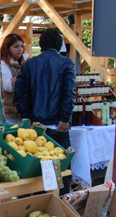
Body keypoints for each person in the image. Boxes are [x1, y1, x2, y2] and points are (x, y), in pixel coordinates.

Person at [14, 29, 76, 190]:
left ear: (40, 45)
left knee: (34, 170)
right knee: (61, 169)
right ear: (59, 44)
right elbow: (69, 93)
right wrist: (65, 118)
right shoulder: (67, 63)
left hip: (35, 127)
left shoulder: (28, 65)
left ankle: (36, 201)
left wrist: (28, 117)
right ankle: (61, 202)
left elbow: (19, 94)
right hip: (58, 125)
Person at [0, 34, 28, 124]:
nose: (20, 49)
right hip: (11, 114)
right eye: (16, 47)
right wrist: (23, 69)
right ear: (8, 48)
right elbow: (9, 87)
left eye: (22, 46)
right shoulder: (3, 64)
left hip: (25, 112)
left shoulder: (21, 62)